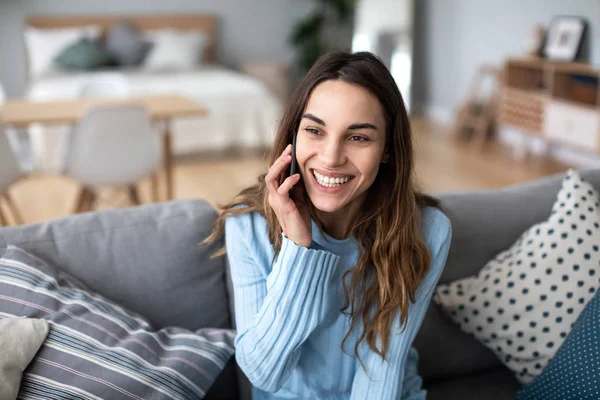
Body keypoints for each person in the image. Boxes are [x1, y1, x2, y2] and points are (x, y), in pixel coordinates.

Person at [203, 51, 452, 400]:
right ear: (293, 137)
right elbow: (264, 372)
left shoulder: (426, 231)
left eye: (359, 137)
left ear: (387, 149)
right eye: (315, 131)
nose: (331, 157)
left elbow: (384, 365)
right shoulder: (249, 224)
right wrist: (299, 248)